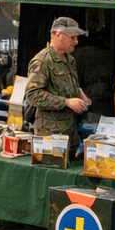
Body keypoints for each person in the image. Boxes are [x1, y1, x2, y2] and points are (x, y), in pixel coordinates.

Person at [27, 17, 91, 159]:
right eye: (72, 37)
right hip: (50, 136)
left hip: (70, 133)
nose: (76, 41)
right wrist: (67, 102)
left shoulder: (70, 60)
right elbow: (33, 95)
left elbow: (67, 84)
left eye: (76, 37)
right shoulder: (42, 61)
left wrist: (80, 93)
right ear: (56, 34)